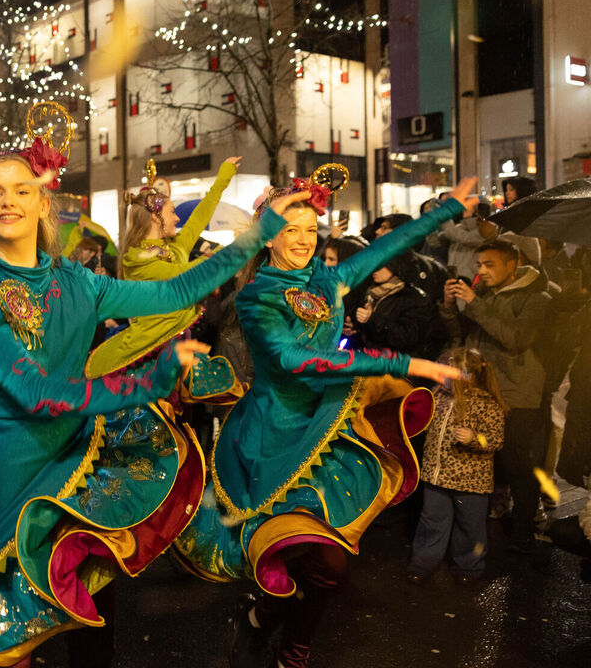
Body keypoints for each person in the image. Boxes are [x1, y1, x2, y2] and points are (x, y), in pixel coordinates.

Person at [0, 108, 307, 667]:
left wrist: (257, 238)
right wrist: (149, 381)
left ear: (43, 202)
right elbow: (35, 393)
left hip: (80, 456)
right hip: (2, 471)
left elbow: (174, 294)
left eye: (21, 189)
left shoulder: (78, 280)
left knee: (94, 611)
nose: (8, 200)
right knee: (3, 639)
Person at [172, 171, 473, 668]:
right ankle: (261, 621)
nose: (304, 240)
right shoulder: (256, 297)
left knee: (331, 565)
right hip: (273, 440)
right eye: (292, 229)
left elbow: (381, 250)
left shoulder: (327, 281)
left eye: (312, 229)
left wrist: (446, 210)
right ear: (269, 234)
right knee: (287, 555)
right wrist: (403, 363)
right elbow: (294, 360)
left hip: (329, 427)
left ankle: (294, 646)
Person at [84, 156, 241, 380]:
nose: (178, 218)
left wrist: (223, 176)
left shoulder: (174, 248)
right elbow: (185, 277)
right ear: (156, 218)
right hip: (146, 357)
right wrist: (237, 246)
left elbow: (199, 216)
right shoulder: (136, 259)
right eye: (172, 212)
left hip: (174, 350)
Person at [442, 239, 551, 553]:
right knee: (487, 453)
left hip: (518, 393)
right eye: (479, 265)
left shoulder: (536, 297)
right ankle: (493, 514)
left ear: (512, 264)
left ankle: (523, 530)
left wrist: (475, 303)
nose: (482, 271)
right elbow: (462, 336)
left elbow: (516, 339)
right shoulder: (486, 294)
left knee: (517, 461)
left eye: (489, 265)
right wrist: (450, 307)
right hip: (484, 390)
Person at [408, 347, 507, 585]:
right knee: (432, 521)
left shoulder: (485, 403)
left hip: (470, 481)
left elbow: (495, 439)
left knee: (470, 526)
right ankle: (423, 563)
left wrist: (474, 438)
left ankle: (469, 567)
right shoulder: (438, 396)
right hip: (437, 476)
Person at [353, 251, 446, 359]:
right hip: (371, 360)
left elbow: (405, 337)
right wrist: (355, 326)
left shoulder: (414, 299)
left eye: (383, 265)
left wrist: (373, 319)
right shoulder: (372, 291)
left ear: (396, 265)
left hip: (396, 367)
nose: (375, 269)